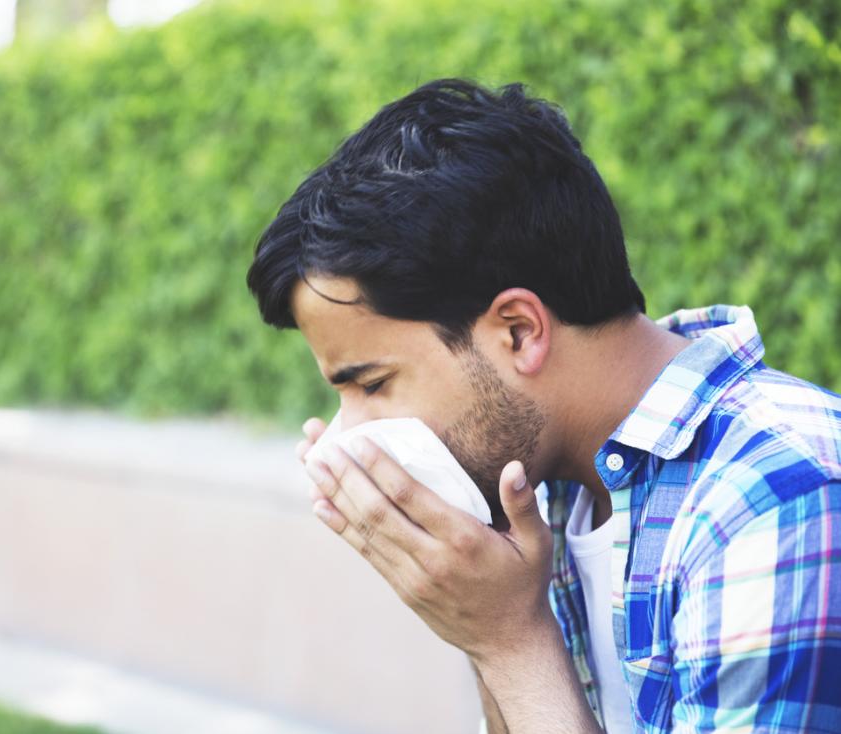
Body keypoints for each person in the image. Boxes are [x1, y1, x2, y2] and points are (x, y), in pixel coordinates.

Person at [244, 78, 841, 733]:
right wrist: (484, 620)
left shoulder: (773, 499)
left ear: (519, 332)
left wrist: (509, 642)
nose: (344, 438)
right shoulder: (542, 489)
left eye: (372, 384)